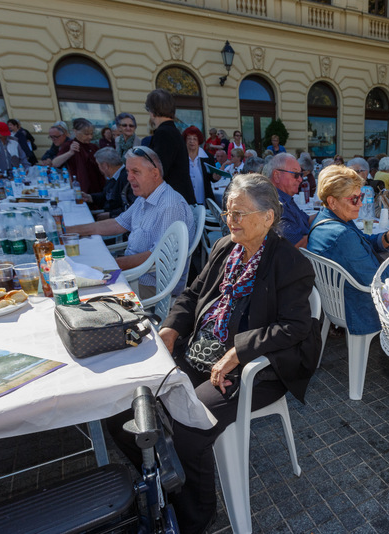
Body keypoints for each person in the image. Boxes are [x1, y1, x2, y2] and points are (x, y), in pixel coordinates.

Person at [107, 174, 320, 534]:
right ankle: (166, 480)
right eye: (228, 213)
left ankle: (196, 517)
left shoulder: (289, 262)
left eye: (239, 213)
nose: (230, 220)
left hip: (255, 369)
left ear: (268, 217)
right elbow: (192, 294)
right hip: (200, 349)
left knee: (188, 427)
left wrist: (239, 351)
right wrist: (171, 328)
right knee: (124, 408)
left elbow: (295, 327)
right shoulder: (225, 247)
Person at [66, 146, 196, 298]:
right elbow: (118, 224)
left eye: (135, 172)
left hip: (153, 286)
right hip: (136, 274)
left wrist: (111, 265)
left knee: (81, 292)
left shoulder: (169, 205)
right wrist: (70, 230)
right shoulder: (144, 197)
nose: (129, 178)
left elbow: (159, 257)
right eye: (128, 171)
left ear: (155, 174)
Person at [307, 165, 389, 336]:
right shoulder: (342, 234)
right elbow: (379, 282)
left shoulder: (327, 218)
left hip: (338, 300)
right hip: (359, 309)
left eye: (360, 196)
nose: (361, 203)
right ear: (332, 201)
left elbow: (362, 241)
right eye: (354, 199)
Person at [146, 88, 196, 204]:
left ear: (152, 111)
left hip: (173, 200)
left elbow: (159, 171)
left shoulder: (164, 133)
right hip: (178, 197)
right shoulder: (172, 131)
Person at [266, 153, 314, 248]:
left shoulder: (285, 197)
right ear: (277, 175)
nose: (300, 179)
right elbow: (296, 245)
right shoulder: (276, 203)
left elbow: (307, 220)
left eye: (301, 174)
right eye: (296, 174)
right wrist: (326, 233)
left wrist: (331, 212)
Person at [52, 118, 104, 194]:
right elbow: (55, 163)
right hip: (82, 187)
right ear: (75, 131)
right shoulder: (69, 145)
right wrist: (70, 153)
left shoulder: (94, 147)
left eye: (91, 134)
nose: (90, 137)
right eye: (86, 134)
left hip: (98, 186)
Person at [82, 147, 133, 220]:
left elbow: (131, 207)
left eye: (98, 165)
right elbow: (107, 195)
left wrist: (110, 214)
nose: (99, 168)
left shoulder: (127, 178)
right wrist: (90, 197)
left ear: (105, 166)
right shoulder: (114, 176)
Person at [183, 125, 219, 205]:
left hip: (203, 197)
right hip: (185, 199)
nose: (192, 141)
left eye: (195, 139)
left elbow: (212, 177)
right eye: (189, 138)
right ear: (185, 140)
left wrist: (215, 177)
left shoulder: (208, 157)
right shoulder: (180, 157)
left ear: (199, 141)